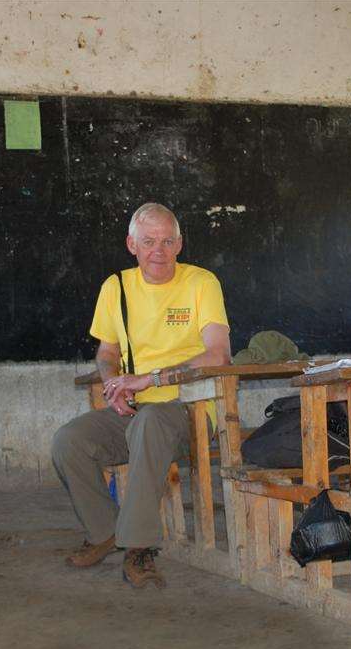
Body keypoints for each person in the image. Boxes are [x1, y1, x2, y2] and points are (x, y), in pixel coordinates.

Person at [52, 202, 230, 588]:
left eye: (168, 241)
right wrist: (113, 384)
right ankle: (104, 531)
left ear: (180, 243)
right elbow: (106, 353)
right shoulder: (115, 287)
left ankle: (139, 547)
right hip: (135, 408)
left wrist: (149, 379)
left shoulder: (202, 283)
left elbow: (218, 353)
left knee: (150, 422)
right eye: (149, 242)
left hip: (190, 409)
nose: (159, 251)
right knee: (70, 440)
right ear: (131, 244)